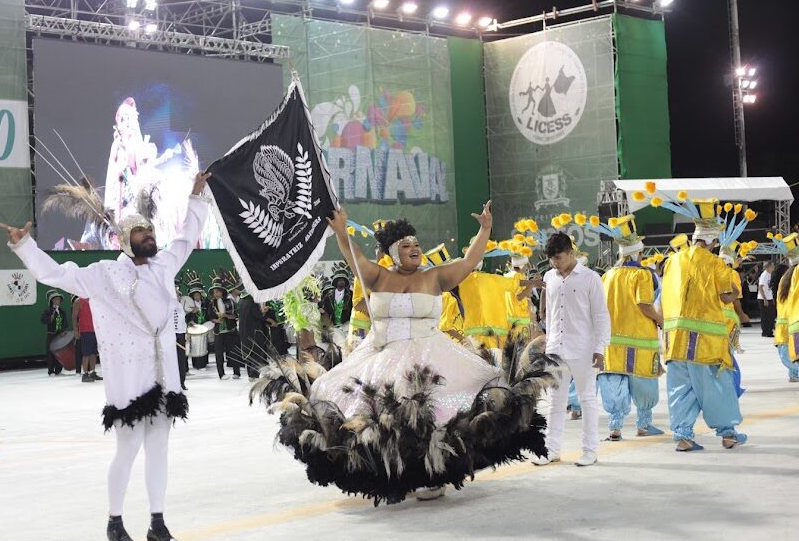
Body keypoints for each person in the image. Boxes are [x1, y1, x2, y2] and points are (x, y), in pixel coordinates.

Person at [250, 202, 558, 505]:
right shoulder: (378, 276)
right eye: (406, 244)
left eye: (416, 243)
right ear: (391, 252)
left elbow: (467, 262)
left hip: (430, 355)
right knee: (382, 420)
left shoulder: (434, 276)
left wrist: (485, 229)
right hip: (381, 354)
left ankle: (433, 476)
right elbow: (353, 256)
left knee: (438, 416)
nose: (414, 248)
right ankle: (397, 476)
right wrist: (342, 232)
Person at [0, 171, 212, 541]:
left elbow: (184, 236)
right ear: (126, 241)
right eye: (141, 232)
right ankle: (115, 522)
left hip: (165, 379)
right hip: (131, 381)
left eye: (150, 230)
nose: (150, 235)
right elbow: (58, 275)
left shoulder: (164, 265)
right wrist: (25, 246)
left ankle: (157, 523)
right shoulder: (106, 274)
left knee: (159, 448)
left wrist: (197, 197)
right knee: (128, 448)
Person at [660, 201, 745, 451]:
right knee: (716, 388)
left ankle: (684, 437)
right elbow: (728, 295)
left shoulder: (673, 261)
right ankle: (728, 434)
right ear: (712, 241)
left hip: (674, 338)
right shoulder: (715, 263)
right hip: (705, 340)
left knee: (680, 389)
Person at [532, 233, 610, 467]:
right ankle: (552, 449)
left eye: (559, 257)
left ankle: (590, 450)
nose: (555, 263)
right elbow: (549, 313)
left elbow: (601, 316)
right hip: (556, 350)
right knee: (556, 402)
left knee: (587, 400)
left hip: (584, 350)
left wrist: (600, 348)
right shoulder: (550, 277)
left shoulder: (590, 278)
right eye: (551, 259)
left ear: (571, 253)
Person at [589, 215, 664, 441]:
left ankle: (615, 427)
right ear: (638, 253)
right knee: (642, 383)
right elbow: (644, 304)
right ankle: (643, 425)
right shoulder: (641, 274)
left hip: (612, 340)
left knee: (614, 382)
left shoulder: (607, 276)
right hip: (640, 339)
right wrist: (660, 319)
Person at [208, 273, 242, 380]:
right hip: (218, 332)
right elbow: (209, 317)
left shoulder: (230, 301)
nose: (216, 294)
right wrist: (216, 320)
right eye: (214, 292)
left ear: (222, 291)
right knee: (218, 354)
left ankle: (236, 372)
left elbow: (235, 316)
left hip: (230, 331)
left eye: (217, 291)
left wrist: (226, 315)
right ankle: (221, 374)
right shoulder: (211, 304)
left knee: (233, 352)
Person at [771, 264, 799, 383]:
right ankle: (794, 373)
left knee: (787, 356)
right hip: (788, 325)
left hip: (785, 326)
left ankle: (794, 373)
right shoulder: (787, 283)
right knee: (789, 356)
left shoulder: (784, 283)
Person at [238, 289, 269, 380]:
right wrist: (264, 311)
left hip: (244, 331)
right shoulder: (252, 301)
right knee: (256, 352)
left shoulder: (241, 300)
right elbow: (258, 315)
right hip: (255, 331)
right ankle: (254, 374)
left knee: (249, 352)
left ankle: (250, 374)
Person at [41, 289, 69, 376]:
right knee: (51, 353)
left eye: (59, 299)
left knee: (60, 352)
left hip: (59, 335)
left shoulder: (62, 311)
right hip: (51, 335)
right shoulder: (48, 311)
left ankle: (58, 370)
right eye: (56, 299)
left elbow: (65, 323)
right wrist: (50, 319)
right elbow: (42, 320)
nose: (58, 301)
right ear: (52, 301)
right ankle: (51, 371)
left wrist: (63, 330)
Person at [77, 296, 101, 383]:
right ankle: (85, 374)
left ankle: (92, 372)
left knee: (94, 353)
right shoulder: (78, 301)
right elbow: (74, 316)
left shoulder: (94, 300)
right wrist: (76, 331)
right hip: (85, 331)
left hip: (95, 331)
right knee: (86, 353)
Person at [172, 281, 188, 390]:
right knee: (171, 361)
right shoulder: (164, 304)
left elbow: (182, 321)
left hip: (180, 335)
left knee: (181, 360)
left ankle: (181, 382)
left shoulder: (179, 305)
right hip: (170, 336)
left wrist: (186, 333)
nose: (177, 292)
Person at [758, 262, 776, 337]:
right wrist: (765, 299)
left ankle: (768, 331)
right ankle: (766, 332)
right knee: (766, 316)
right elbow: (760, 287)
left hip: (769, 297)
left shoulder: (770, 274)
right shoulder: (764, 275)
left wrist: (772, 299)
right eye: (772, 266)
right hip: (763, 298)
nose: (773, 267)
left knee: (771, 315)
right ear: (768, 267)